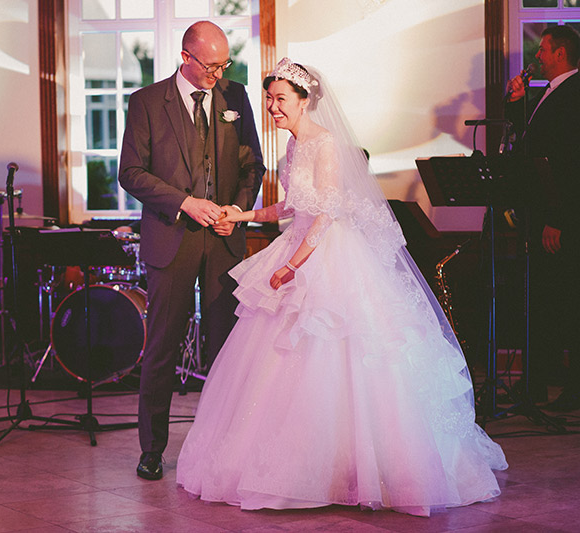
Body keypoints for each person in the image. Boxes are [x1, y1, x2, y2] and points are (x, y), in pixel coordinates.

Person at [176, 59, 507, 516]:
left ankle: (361, 470)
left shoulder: (325, 143)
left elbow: (326, 214)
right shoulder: (293, 145)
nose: (272, 107)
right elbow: (292, 205)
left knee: (346, 356)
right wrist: (242, 214)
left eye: (281, 99)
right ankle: (311, 469)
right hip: (299, 246)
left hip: (327, 255)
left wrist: (293, 265)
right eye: (269, 99)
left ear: (304, 100)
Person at [119, 21, 265, 480]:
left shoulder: (236, 96)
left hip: (224, 241)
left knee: (225, 349)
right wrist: (184, 202)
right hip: (172, 238)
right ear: (186, 57)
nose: (218, 75)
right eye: (210, 66)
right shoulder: (146, 102)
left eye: (224, 65)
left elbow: (253, 166)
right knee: (162, 348)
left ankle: (222, 451)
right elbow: (131, 173)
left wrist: (236, 210)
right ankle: (152, 450)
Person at [504, 25, 580, 411]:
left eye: (543, 50)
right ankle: (536, 384)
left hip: (561, 219)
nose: (537, 56)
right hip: (539, 214)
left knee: (568, 302)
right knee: (543, 302)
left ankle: (574, 389)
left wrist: (557, 218)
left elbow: (569, 163)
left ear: (561, 54)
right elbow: (531, 145)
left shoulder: (574, 94)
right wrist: (517, 105)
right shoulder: (548, 93)